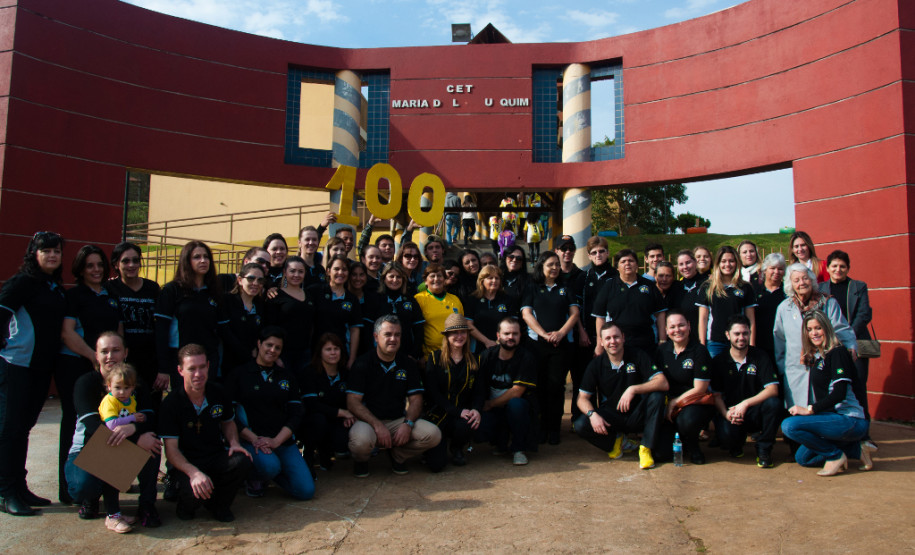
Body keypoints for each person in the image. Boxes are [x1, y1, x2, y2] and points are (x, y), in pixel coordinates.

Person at [0, 231, 66, 516]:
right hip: (16, 366)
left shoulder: (53, 286)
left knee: (23, 429)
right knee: (8, 429)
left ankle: (20, 487)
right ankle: (5, 493)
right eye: (46, 250)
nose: (52, 255)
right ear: (34, 253)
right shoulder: (22, 283)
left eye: (57, 251)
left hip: (40, 369)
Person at [67, 335, 161, 530]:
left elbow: (150, 417)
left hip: (118, 444)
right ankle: (93, 498)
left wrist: (134, 429)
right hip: (87, 448)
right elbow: (94, 427)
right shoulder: (85, 383)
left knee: (151, 441)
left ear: (125, 353)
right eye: (104, 351)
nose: (110, 356)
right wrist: (135, 436)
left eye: (116, 350)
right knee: (83, 488)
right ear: (96, 355)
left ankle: (146, 505)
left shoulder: (135, 381)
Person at [56, 245, 124, 504]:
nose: (95, 270)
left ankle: (109, 478)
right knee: (77, 424)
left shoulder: (110, 295)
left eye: (99, 265)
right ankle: (69, 487)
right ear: (81, 270)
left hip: (107, 366)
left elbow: (118, 330)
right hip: (77, 365)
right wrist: (93, 357)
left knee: (111, 419)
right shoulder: (75, 296)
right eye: (89, 266)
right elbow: (68, 332)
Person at [159, 343, 252, 522]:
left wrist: (234, 442)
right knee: (191, 499)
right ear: (180, 370)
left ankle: (219, 506)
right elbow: (171, 451)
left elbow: (228, 422)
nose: (198, 374)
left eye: (202, 367)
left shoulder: (218, 392)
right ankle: (187, 504)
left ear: (209, 366)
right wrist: (194, 473)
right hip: (187, 463)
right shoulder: (171, 404)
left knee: (242, 460)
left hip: (214, 455)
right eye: (191, 369)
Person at [346, 315, 442, 477]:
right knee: (360, 443)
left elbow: (416, 400)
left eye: (397, 335)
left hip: (397, 421)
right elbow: (352, 403)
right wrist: (377, 425)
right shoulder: (363, 363)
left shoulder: (407, 363)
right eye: (388, 334)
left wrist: (408, 424)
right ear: (376, 337)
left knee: (433, 434)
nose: (393, 339)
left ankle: (398, 456)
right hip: (368, 422)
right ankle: (362, 461)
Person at [781, 311, 874, 476]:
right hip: (833, 419)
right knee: (803, 458)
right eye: (809, 329)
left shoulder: (838, 353)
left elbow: (839, 394)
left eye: (818, 328)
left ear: (827, 328)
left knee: (789, 426)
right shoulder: (819, 356)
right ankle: (856, 449)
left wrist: (810, 410)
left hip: (851, 419)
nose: (814, 333)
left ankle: (835, 455)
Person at [225, 327, 313, 500]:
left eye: (277, 348)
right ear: (259, 344)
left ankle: (273, 471)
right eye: (269, 345)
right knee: (270, 467)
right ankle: (254, 477)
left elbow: (296, 413)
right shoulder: (239, 374)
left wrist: (276, 441)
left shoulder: (286, 376)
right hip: (252, 441)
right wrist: (254, 439)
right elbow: (229, 414)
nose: (272, 350)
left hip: (282, 441)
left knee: (306, 491)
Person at [574, 323, 668, 469]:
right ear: (602, 342)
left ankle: (645, 448)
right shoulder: (596, 364)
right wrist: (592, 415)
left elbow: (663, 382)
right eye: (608, 338)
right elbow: (582, 398)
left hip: (638, 414)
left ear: (623, 338)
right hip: (612, 416)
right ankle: (615, 442)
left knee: (657, 396)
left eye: (616, 337)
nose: (613, 342)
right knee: (580, 424)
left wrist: (633, 389)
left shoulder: (637, 355)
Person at [773, 263, 856, 413]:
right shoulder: (784, 308)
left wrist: (851, 347)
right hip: (795, 370)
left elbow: (841, 329)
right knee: (796, 415)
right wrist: (782, 368)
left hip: (823, 366)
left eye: (805, 278)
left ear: (812, 280)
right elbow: (779, 340)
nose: (801, 283)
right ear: (791, 284)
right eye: (796, 280)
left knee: (821, 410)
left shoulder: (828, 303)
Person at [522, 251, 580, 445]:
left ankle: (554, 428)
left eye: (556, 264)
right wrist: (543, 334)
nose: (554, 268)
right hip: (536, 345)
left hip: (561, 345)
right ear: (541, 266)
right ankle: (540, 428)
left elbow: (574, 314)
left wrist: (560, 333)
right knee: (538, 387)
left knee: (556, 387)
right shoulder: (532, 287)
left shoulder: (565, 287)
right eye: (550, 264)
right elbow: (527, 315)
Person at [710, 315, 781, 468]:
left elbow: (773, 389)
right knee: (727, 439)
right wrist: (726, 414)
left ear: (750, 333)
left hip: (754, 411)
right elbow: (716, 395)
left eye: (745, 333)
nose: (741, 338)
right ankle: (736, 443)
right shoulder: (718, 361)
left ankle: (764, 449)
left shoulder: (760, 356)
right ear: (728, 335)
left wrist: (745, 404)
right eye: (737, 334)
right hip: (732, 413)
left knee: (774, 404)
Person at [155, 240, 226, 386]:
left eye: (206, 257)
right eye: (197, 257)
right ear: (187, 261)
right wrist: (163, 367)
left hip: (208, 359)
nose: (203, 260)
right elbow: (161, 331)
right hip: (181, 359)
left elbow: (221, 330)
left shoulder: (214, 292)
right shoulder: (172, 290)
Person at [818, 250, 874, 430]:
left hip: (855, 343)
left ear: (848, 268)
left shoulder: (859, 286)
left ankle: (864, 430)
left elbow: (864, 314)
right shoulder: (820, 289)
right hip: (830, 347)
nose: (838, 269)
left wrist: (847, 335)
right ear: (828, 268)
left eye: (842, 266)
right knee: (834, 386)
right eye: (834, 266)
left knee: (858, 385)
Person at [477, 318, 538, 466]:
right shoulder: (486, 356)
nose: (511, 337)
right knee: (477, 424)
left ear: (520, 336)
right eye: (506, 333)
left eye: (515, 334)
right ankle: (500, 443)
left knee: (516, 404)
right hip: (494, 410)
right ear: (498, 336)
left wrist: (490, 404)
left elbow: (517, 391)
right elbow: (478, 386)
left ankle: (519, 449)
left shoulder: (526, 357)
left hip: (517, 409)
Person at [424, 314, 482, 468]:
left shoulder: (475, 360)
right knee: (436, 466)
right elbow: (432, 391)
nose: (459, 336)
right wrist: (454, 411)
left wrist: (476, 409)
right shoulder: (435, 358)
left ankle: (457, 447)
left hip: (462, 416)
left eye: (463, 332)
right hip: (439, 414)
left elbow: (479, 390)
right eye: (454, 332)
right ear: (447, 336)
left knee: (467, 423)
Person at [106, 242, 165, 397]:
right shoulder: (109, 288)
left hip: (150, 361)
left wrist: (163, 368)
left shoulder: (152, 288)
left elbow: (161, 327)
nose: (131, 265)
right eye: (126, 261)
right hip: (123, 361)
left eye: (136, 260)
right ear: (116, 264)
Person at [656, 311, 714, 465]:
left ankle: (694, 448)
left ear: (689, 326)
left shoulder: (699, 351)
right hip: (669, 405)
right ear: (667, 331)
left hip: (694, 402)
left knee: (686, 421)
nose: (677, 330)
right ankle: (679, 440)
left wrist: (675, 403)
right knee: (661, 454)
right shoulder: (662, 351)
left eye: (681, 325)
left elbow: (701, 388)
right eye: (672, 327)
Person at [593, 249, 667, 354]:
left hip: (646, 343)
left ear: (637, 264)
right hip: (617, 344)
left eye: (631, 261)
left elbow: (660, 314)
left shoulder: (649, 285)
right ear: (617, 267)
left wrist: (662, 340)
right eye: (623, 261)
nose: (627, 264)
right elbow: (600, 317)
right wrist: (599, 344)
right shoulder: (609, 286)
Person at [300, 333, 355, 472]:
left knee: (343, 440)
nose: (333, 353)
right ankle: (309, 454)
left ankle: (327, 452)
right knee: (319, 421)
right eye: (328, 349)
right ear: (320, 352)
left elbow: (350, 400)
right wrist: (341, 413)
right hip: (313, 419)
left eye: (336, 349)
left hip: (337, 420)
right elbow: (311, 404)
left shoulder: (345, 373)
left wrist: (349, 415)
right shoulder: (310, 372)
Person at [697, 246, 757, 358]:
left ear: (737, 263)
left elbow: (751, 320)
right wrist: (702, 344)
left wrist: (751, 345)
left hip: (739, 341)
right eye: (723, 261)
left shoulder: (745, 287)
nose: (727, 265)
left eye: (731, 261)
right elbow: (703, 318)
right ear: (718, 264)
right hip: (715, 342)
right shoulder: (708, 286)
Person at [307, 255, 362, 368]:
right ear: (328, 271)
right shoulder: (315, 292)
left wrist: (352, 358)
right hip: (316, 351)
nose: (340, 272)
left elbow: (354, 331)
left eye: (344, 269)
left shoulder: (351, 299)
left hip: (340, 352)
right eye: (336, 269)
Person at [265, 256, 315, 379]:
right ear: (284, 272)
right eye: (292, 271)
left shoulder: (310, 295)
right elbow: (268, 327)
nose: (296, 275)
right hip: (283, 354)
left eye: (300, 271)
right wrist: (276, 356)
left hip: (305, 352)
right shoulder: (276, 296)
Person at [367, 262, 425, 361]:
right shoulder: (375, 299)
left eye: (399, 277)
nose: (395, 280)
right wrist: (371, 353)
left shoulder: (410, 299)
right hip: (379, 355)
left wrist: (414, 354)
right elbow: (368, 329)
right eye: (391, 276)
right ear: (384, 278)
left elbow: (419, 329)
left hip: (406, 355)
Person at [220, 262, 265, 373]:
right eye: (250, 278)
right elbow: (225, 333)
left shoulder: (261, 306)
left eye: (260, 280)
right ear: (240, 280)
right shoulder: (227, 301)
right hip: (229, 363)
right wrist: (246, 352)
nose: (255, 283)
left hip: (252, 364)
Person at [465, 265, 520, 353]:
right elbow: (468, 324)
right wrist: (486, 341)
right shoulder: (473, 299)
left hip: (502, 347)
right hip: (478, 348)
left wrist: (499, 342)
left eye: (497, 278)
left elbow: (512, 325)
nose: (494, 281)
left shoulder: (508, 299)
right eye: (490, 278)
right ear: (482, 281)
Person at [415, 264, 465, 357]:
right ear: (426, 281)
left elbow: (462, 327)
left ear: (444, 279)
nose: (436, 279)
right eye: (432, 276)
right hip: (430, 356)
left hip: (454, 354)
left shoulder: (455, 299)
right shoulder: (419, 299)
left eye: (439, 276)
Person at [752, 252, 787, 361]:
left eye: (780, 269)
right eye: (772, 268)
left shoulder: (787, 293)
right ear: (765, 270)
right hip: (760, 344)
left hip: (782, 346)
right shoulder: (754, 291)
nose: (776, 272)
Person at [99, 363, 146, 430]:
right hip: (106, 437)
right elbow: (111, 424)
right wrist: (132, 418)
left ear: (133, 387)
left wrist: (140, 417)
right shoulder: (110, 401)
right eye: (117, 387)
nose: (122, 392)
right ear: (109, 386)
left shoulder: (132, 400)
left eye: (126, 388)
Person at [673, 249, 706, 341]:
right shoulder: (675, 286)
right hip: (681, 338)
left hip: (702, 338)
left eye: (688, 263)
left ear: (695, 262)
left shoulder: (706, 284)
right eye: (681, 264)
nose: (685, 267)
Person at [348, 261, 377, 355]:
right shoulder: (344, 298)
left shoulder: (372, 299)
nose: (358, 278)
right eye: (354, 275)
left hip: (367, 351)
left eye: (361, 275)